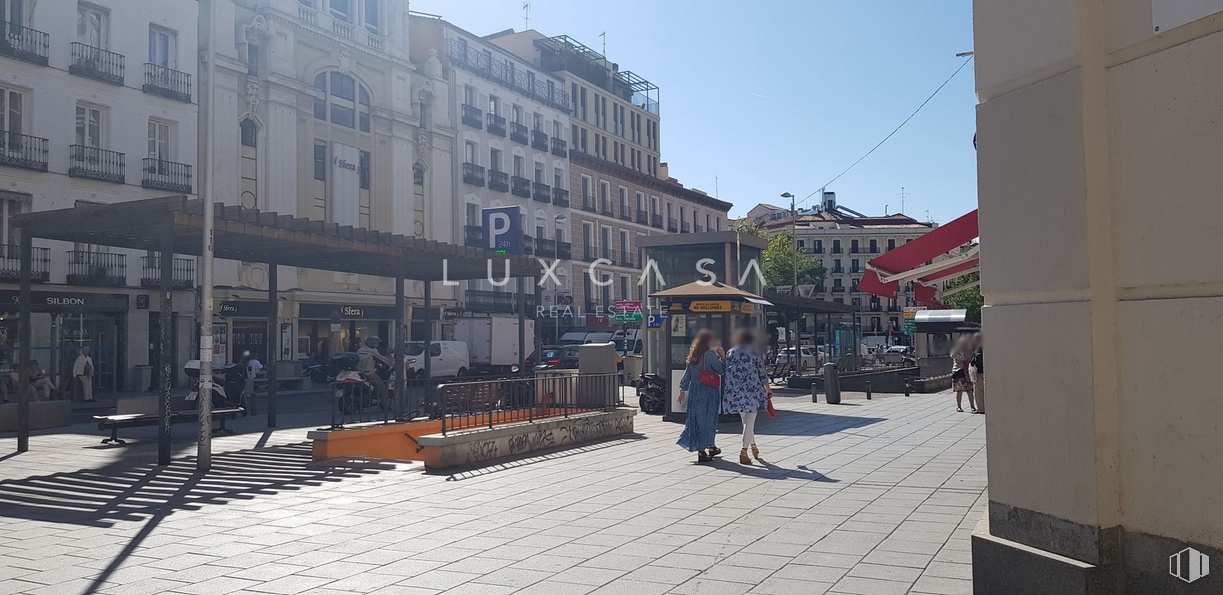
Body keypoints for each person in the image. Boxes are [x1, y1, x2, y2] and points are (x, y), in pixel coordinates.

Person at [722, 329, 772, 465]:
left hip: (735, 391)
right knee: (749, 422)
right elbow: (761, 373)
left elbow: (727, 370)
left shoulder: (731, 352)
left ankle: (753, 446)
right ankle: (743, 451)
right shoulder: (754, 352)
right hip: (752, 391)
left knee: (746, 422)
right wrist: (768, 389)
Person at [676, 329, 725, 463]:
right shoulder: (710, 355)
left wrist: (682, 391)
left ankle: (711, 446)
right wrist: (723, 356)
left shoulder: (693, 355)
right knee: (708, 421)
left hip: (695, 392)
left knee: (698, 421)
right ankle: (702, 451)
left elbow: (687, 375)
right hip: (708, 392)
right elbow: (721, 370)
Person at [358, 336, 391, 406]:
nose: (377, 345)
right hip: (369, 373)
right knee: (383, 388)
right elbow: (383, 359)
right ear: (372, 344)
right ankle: (386, 406)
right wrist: (391, 363)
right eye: (376, 344)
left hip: (359, 372)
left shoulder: (360, 350)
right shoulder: (373, 351)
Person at [951, 335, 976, 413]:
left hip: (967, 372)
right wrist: (963, 359)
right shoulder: (956, 349)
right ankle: (959, 407)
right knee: (959, 390)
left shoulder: (969, 350)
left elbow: (972, 357)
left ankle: (972, 406)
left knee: (969, 390)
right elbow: (952, 355)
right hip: (958, 371)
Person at [971, 334, 985, 414]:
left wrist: (973, 361)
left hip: (979, 372)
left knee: (979, 391)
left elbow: (977, 359)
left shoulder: (979, 348)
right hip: (983, 372)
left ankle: (981, 409)